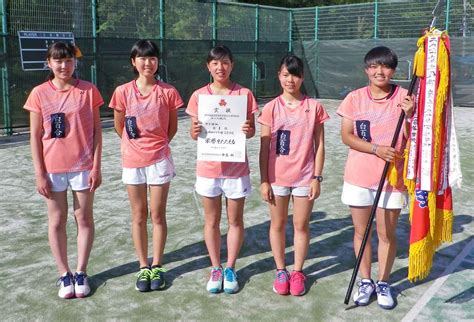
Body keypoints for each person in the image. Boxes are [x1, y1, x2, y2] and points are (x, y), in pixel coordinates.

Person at [24, 41, 103, 299]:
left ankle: (81, 271)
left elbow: (97, 134)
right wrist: (39, 172)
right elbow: (35, 137)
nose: (63, 65)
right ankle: (64, 274)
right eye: (58, 61)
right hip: (52, 168)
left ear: (75, 62)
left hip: (83, 167)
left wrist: (96, 166)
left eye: (68, 60)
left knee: (84, 219)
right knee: (57, 220)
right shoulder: (38, 93)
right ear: (49, 63)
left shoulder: (88, 91)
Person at [337, 46, 414, 309]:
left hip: (392, 179)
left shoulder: (405, 97)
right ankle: (366, 280)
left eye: (385, 67)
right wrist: (375, 149)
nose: (379, 71)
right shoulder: (354, 98)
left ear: (393, 70)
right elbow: (347, 136)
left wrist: (411, 115)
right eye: (373, 67)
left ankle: (383, 282)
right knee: (361, 231)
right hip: (358, 176)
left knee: (386, 233)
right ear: (366, 70)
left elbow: (412, 136)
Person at [109, 39, 183, 292]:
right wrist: (135, 147)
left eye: (152, 58)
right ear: (133, 62)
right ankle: (143, 266)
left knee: (157, 215)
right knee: (139, 215)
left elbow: (172, 128)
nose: (147, 62)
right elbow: (120, 126)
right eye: (141, 58)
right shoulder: (122, 91)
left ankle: (158, 265)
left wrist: (156, 146)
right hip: (132, 161)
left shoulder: (168, 92)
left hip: (160, 160)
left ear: (157, 61)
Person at [186, 45, 258, 294]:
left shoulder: (244, 94)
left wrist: (249, 131)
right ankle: (215, 267)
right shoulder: (198, 96)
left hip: (236, 168)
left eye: (225, 62)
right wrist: (194, 132)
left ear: (232, 65)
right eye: (215, 63)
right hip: (208, 168)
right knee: (212, 220)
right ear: (208, 66)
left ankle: (230, 267)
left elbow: (251, 131)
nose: (220, 67)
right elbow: (194, 133)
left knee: (235, 220)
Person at [259, 54, 329, 296]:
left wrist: (317, 177)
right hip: (277, 179)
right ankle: (281, 270)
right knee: (277, 225)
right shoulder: (270, 108)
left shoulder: (314, 107)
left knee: (301, 225)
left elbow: (319, 145)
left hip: (304, 178)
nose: (290, 80)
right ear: (279, 76)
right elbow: (264, 148)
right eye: (286, 74)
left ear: (302, 77)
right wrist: (264, 180)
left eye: (295, 74)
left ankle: (297, 271)